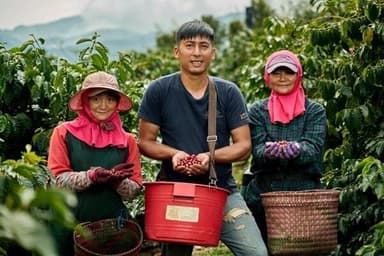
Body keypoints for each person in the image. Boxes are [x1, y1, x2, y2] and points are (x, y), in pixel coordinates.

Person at [138, 19, 268, 256]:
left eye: (203, 46)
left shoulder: (228, 92)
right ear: (177, 51)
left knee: (256, 252)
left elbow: (244, 145)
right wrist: (174, 154)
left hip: (220, 190)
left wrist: (210, 158)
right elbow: (145, 141)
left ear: (213, 53)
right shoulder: (159, 90)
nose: (197, 53)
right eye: (190, 45)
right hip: (175, 191)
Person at [47, 71, 143, 255]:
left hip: (110, 227)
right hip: (67, 222)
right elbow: (56, 181)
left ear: (116, 103)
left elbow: (134, 190)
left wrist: (116, 181)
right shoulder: (64, 133)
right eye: (96, 99)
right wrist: (91, 177)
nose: (103, 106)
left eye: (109, 99)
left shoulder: (127, 140)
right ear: (85, 101)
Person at [242, 50, 327, 246]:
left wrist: (296, 149)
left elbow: (313, 149)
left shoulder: (314, 110)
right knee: (266, 247)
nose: (282, 78)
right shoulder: (257, 110)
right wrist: (269, 150)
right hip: (265, 193)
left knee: (302, 248)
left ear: (298, 76)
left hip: (305, 193)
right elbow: (257, 149)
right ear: (267, 77)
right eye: (276, 73)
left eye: (288, 73)